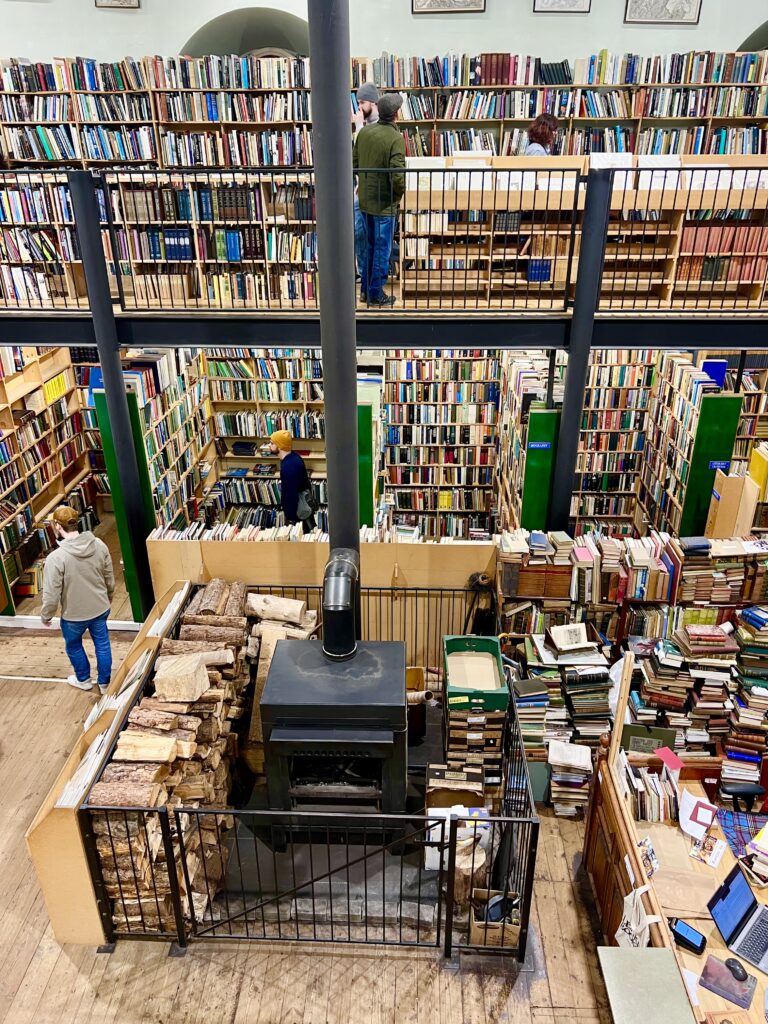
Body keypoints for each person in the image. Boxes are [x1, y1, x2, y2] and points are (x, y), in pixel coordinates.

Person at [40, 504, 115, 695]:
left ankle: (83, 680)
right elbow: (108, 574)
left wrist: (46, 615)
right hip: (100, 607)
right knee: (102, 644)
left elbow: (51, 593)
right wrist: (109, 594)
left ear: (57, 526)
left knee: (73, 646)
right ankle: (105, 683)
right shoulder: (99, 544)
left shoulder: (56, 558)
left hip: (74, 615)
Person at [353, 91, 405, 307]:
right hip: (384, 205)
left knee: (369, 248)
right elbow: (398, 177)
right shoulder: (395, 138)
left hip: (364, 201)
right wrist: (397, 196)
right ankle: (376, 294)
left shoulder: (364, 133)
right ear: (395, 114)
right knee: (382, 249)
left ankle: (365, 291)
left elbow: (354, 163)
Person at [352, 82, 380, 285]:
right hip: (360, 188)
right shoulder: (363, 124)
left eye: (362, 102)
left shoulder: (379, 124)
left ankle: (369, 275)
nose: (359, 107)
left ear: (373, 102)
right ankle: (364, 273)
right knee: (359, 232)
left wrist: (359, 126)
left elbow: (364, 149)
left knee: (376, 236)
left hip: (375, 190)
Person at [269, 430, 315, 532]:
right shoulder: (294, 457)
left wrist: (290, 519)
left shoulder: (288, 467)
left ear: (280, 446)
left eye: (272, 443)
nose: (269, 445)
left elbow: (291, 495)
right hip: (303, 506)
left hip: (297, 513)